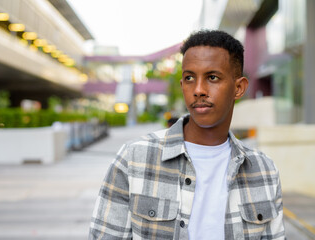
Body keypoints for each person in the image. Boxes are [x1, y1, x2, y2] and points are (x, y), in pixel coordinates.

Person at [89, 30, 285, 239]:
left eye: (212, 77)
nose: (198, 89)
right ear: (182, 85)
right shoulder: (134, 158)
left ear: (239, 88)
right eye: (190, 78)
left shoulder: (264, 170)